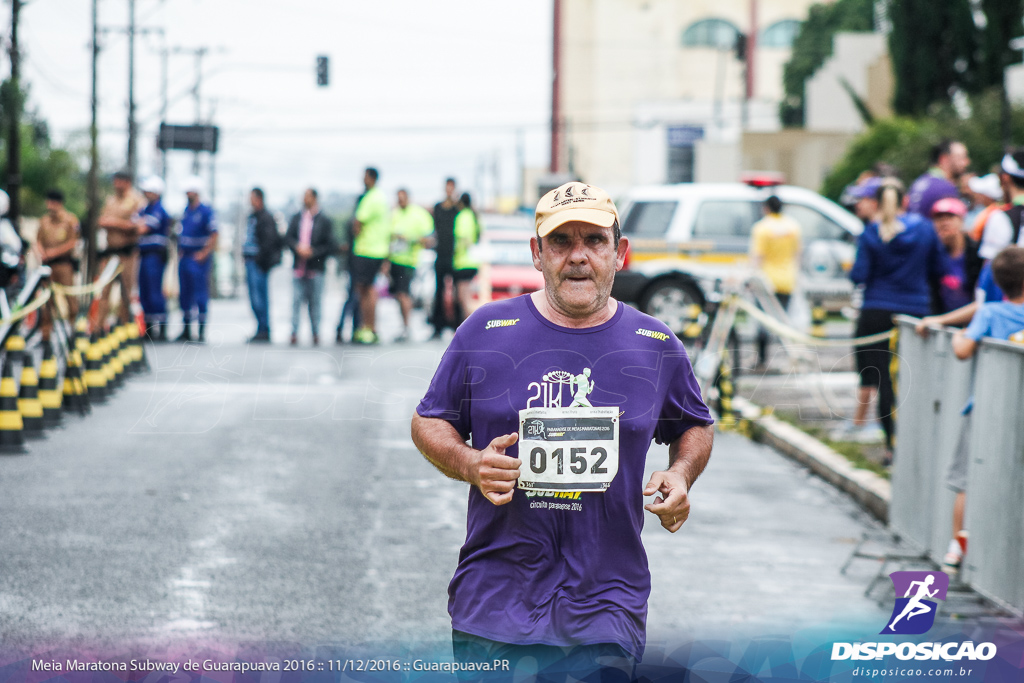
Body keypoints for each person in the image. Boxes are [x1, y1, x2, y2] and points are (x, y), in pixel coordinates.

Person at [411, 181, 715, 680]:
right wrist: (470, 463)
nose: (578, 257)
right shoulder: (486, 331)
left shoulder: (653, 344)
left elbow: (695, 426)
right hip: (496, 598)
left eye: (594, 241)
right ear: (537, 253)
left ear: (620, 253)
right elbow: (429, 419)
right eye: (561, 242)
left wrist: (681, 474)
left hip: (607, 603)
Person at [849, 179, 946, 464]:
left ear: (877, 204)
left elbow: (859, 275)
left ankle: (892, 446)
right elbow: (938, 268)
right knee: (914, 378)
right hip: (916, 312)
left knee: (884, 381)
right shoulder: (926, 229)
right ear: (906, 201)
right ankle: (919, 442)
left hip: (876, 311)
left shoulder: (871, 232)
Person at [941, 246, 1024, 574]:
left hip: (985, 409)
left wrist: (960, 335)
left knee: (966, 479)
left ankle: (956, 546)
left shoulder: (990, 312)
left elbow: (962, 350)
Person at [749, 195, 801, 368]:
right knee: (782, 322)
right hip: (787, 280)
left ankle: (762, 359)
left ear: (767, 208)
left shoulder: (762, 228)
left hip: (767, 281)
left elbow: (758, 257)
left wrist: (751, 277)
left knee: (764, 321)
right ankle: (791, 357)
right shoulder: (793, 227)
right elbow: (797, 254)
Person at [285, 188, 335, 346]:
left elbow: (330, 245)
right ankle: (294, 331)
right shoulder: (296, 218)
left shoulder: (324, 220)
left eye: (307, 196)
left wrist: (314, 252)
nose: (304, 199)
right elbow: (288, 238)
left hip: (316, 267)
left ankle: (316, 332)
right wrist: (297, 248)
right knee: (296, 301)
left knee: (315, 302)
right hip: (299, 267)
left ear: (314, 198)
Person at [96, 170, 144, 331]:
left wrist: (114, 223)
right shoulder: (110, 200)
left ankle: (123, 328)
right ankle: (99, 328)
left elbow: (138, 227)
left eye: (120, 182)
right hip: (110, 252)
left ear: (127, 182)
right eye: (115, 181)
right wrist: (117, 223)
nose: (116, 185)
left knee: (125, 294)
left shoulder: (137, 200)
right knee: (104, 291)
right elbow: (101, 221)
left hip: (127, 254)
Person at [388, 188, 434, 342]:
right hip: (394, 260)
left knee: (403, 294)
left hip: (409, 261)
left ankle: (407, 327)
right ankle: (404, 325)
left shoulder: (419, 215)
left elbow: (429, 240)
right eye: (398, 198)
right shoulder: (394, 214)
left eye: (402, 198)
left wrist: (410, 239)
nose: (400, 201)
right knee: (398, 295)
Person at [175, 176, 217, 342]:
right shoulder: (186, 210)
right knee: (184, 294)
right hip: (184, 257)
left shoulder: (206, 211)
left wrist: (204, 253)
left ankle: (200, 331)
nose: (187, 194)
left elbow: (214, 234)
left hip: (198, 258)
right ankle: (186, 329)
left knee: (200, 294)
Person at [351, 168, 389, 345]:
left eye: (364, 176)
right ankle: (369, 328)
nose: (362, 179)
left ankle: (369, 328)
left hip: (366, 250)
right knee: (368, 289)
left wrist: (356, 237)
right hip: (378, 250)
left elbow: (358, 222)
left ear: (371, 178)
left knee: (365, 290)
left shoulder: (370, 197)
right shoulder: (381, 197)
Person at [35, 189, 80, 341]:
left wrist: (54, 252)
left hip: (64, 264)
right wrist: (41, 252)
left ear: (59, 203)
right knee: (46, 302)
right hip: (48, 266)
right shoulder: (44, 220)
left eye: (53, 202)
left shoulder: (70, 220)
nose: (50, 205)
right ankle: (45, 335)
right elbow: (38, 240)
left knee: (70, 299)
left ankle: (73, 331)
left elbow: (73, 242)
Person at [929, 198, 982, 316]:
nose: (944, 223)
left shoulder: (978, 253)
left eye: (950, 218)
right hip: (940, 320)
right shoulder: (933, 253)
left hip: (970, 321)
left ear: (962, 220)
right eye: (939, 219)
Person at [137, 177, 173, 341]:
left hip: (155, 256)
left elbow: (142, 228)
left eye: (149, 191)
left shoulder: (158, 210)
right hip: (144, 256)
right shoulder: (145, 209)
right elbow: (134, 222)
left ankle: (162, 329)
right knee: (144, 292)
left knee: (155, 292)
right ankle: (150, 329)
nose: (145, 194)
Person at [243, 187, 281, 343]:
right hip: (250, 261)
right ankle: (260, 327)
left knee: (260, 297)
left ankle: (264, 328)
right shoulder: (252, 216)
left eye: (252, 197)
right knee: (253, 297)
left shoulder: (266, 217)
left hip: (258, 263)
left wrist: (260, 260)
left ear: (259, 199)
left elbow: (270, 241)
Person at [430, 178, 461, 338]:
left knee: (456, 292)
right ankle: (438, 326)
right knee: (439, 291)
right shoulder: (438, 208)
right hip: (440, 255)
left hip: (455, 256)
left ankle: (457, 325)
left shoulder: (458, 209)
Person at [907, 139, 970, 218]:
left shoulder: (919, 182)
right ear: (944, 159)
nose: (967, 162)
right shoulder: (945, 188)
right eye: (961, 157)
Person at [452, 192, 481, 325]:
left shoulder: (462, 216)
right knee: (466, 297)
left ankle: (470, 326)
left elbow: (463, 238)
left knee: (463, 299)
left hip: (462, 262)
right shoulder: (474, 216)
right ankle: (470, 325)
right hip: (473, 262)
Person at [966, 173, 1006, 243]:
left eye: (981, 193)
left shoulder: (990, 213)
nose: (977, 195)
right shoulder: (1003, 209)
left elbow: (974, 236)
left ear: (987, 196)